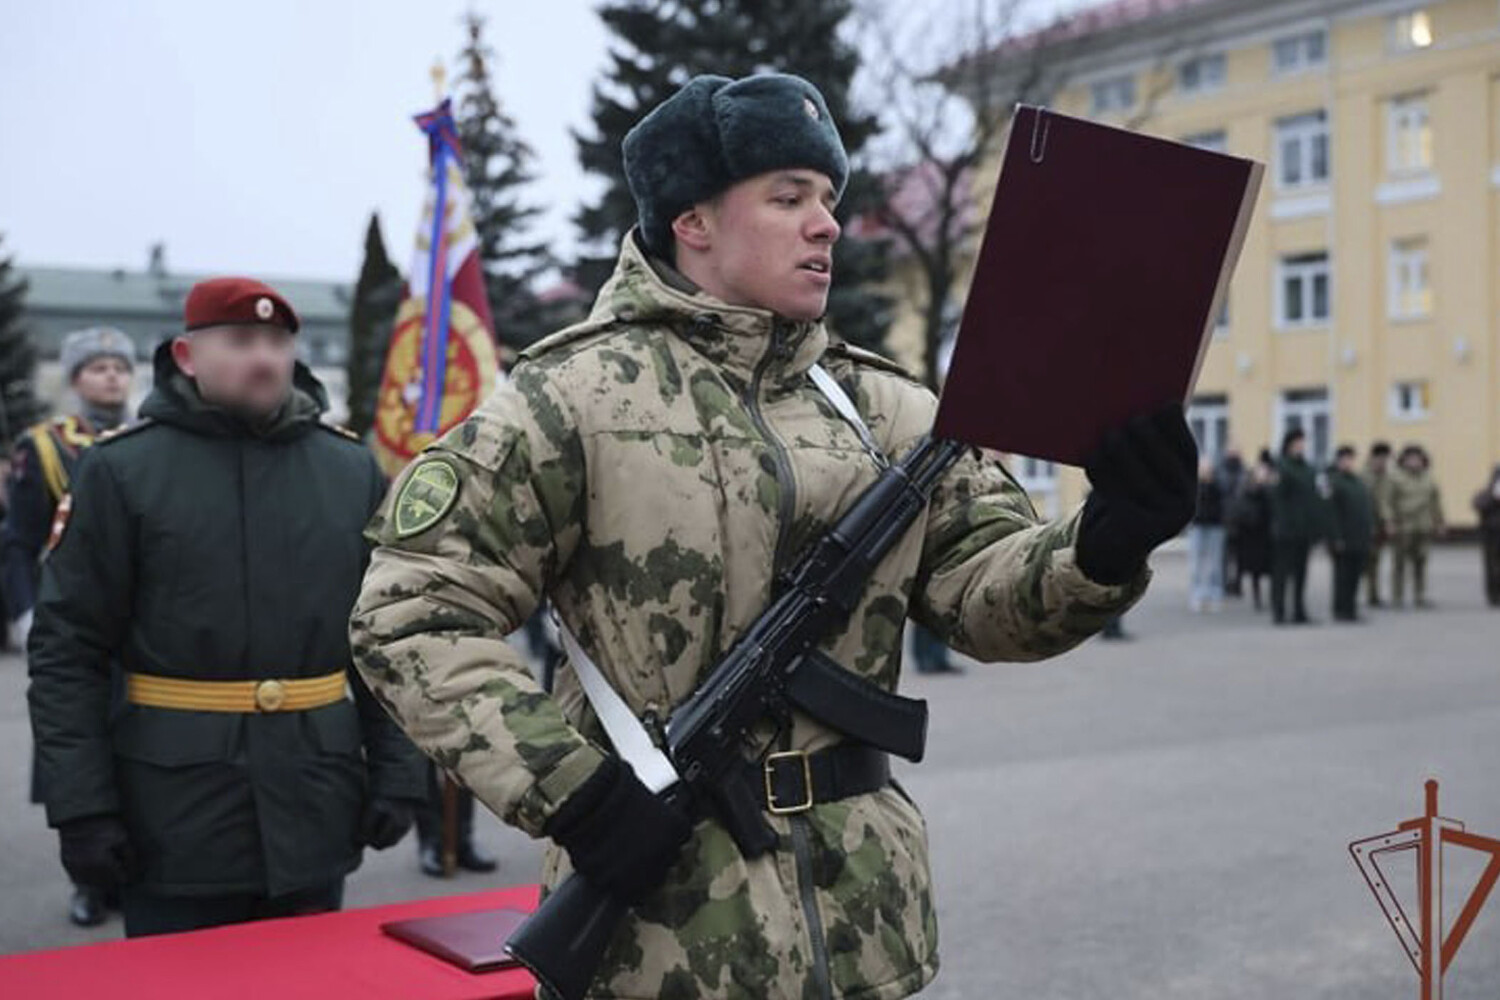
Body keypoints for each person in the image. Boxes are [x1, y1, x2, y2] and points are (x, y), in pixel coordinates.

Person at [350, 73, 1198, 1000]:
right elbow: (411, 611)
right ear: (693, 220)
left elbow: (984, 599)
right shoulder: (570, 399)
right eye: (789, 198)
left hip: (861, 924)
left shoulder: (889, 409)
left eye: (828, 199)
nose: (826, 225)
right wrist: (575, 792)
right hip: (664, 937)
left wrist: (1103, 546)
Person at [27, 277, 426, 938]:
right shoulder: (122, 470)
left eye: (277, 341)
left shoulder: (348, 469)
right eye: (241, 341)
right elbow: (68, 649)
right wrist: (82, 806)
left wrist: (401, 773)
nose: (264, 358)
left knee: (311, 978)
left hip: (314, 798)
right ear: (188, 356)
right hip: (172, 813)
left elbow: (385, 637)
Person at [1, 327, 136, 927]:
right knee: (78, 746)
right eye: (98, 367)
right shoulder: (45, 447)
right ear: (76, 378)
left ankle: (130, 871)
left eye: (119, 367)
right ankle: (87, 880)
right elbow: (19, 541)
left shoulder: (149, 438)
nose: (111, 376)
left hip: (138, 626)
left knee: (138, 750)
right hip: (73, 618)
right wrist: (26, 610)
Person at [1270, 427, 1320, 625]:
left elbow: (1313, 499)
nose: (1301, 446)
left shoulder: (1308, 468)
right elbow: (1277, 499)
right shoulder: (1282, 466)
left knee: (1301, 573)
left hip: (1304, 529)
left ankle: (1299, 611)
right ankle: (1279, 611)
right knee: (1281, 573)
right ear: (1289, 445)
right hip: (1286, 530)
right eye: (1298, 442)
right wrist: (1282, 525)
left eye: (1303, 442)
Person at [1385, 444, 1444, 608]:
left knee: (1421, 563)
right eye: (1410, 459)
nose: (1414, 462)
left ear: (1423, 460)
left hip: (1423, 526)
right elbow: (1387, 502)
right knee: (1399, 564)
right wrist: (1389, 522)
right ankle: (1397, 597)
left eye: (1417, 458)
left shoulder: (1429, 478)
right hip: (1403, 527)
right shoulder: (1396, 478)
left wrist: (1439, 522)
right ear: (1403, 460)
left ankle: (1420, 596)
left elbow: (1436, 502)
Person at [1326, 445, 1375, 623]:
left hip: (1359, 537)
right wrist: (1335, 537)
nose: (1348, 463)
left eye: (1350, 459)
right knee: (1342, 576)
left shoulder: (1358, 482)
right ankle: (1340, 609)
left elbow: (1365, 509)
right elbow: (1331, 513)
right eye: (1344, 459)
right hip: (1343, 538)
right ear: (1338, 461)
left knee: (1355, 575)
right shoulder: (1334, 482)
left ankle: (1351, 608)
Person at [1229, 452, 1275, 611]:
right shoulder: (1248, 488)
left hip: (1267, 534)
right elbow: (1242, 507)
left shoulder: (1271, 489)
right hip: (1252, 535)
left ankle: (1273, 598)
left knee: (1271, 569)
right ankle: (1257, 598)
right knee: (1255, 570)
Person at [1188, 458, 1226, 612]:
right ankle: (1197, 595)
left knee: (1215, 563)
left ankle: (1215, 594)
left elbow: (1222, 503)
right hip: (1198, 526)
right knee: (1196, 563)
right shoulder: (1194, 486)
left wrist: (1210, 484)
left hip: (1215, 526)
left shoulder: (1217, 485)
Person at [1361, 442, 1394, 607]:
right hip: (1366, 525)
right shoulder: (1364, 477)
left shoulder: (1385, 477)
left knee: (1375, 561)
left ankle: (1373, 595)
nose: (1384, 462)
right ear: (1373, 458)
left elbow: (1387, 501)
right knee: (1365, 562)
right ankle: (1362, 594)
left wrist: (1388, 521)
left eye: (1386, 459)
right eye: (1381, 459)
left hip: (1379, 526)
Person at [1218, 448, 1245, 597]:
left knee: (1240, 556)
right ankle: (1223, 583)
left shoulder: (1243, 471)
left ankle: (1237, 584)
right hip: (1225, 519)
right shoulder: (1223, 470)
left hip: (1240, 520)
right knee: (1224, 556)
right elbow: (1224, 487)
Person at [1473, 464, 1500, 607]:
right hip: (1492, 535)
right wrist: (1493, 496)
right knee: (1492, 566)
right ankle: (1494, 595)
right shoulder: (1487, 493)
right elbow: (1478, 504)